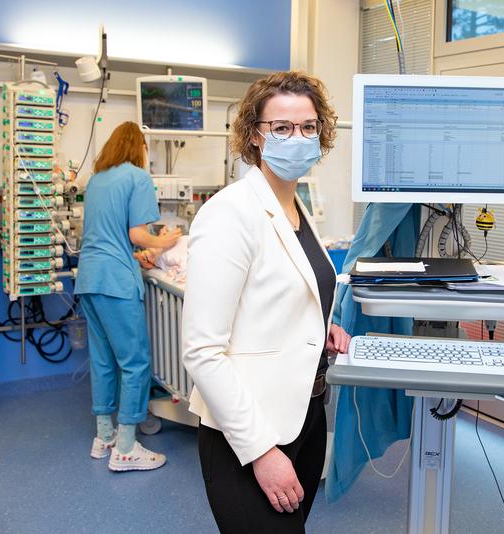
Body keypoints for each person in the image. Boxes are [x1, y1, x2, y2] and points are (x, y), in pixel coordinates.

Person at [182, 71, 351, 533]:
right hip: (249, 432)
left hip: (306, 415)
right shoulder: (230, 213)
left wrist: (318, 328)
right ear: (255, 136)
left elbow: (285, 294)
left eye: (308, 127)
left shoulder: (295, 210)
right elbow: (201, 350)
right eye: (282, 128)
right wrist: (259, 449)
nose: (297, 138)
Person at [76, 121, 180, 471]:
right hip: (116, 283)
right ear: (139, 148)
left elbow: (109, 235)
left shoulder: (97, 180)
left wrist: (135, 253)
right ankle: (125, 447)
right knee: (135, 363)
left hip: (89, 279)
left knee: (104, 360)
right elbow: (137, 233)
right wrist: (164, 242)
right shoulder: (137, 177)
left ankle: (104, 436)